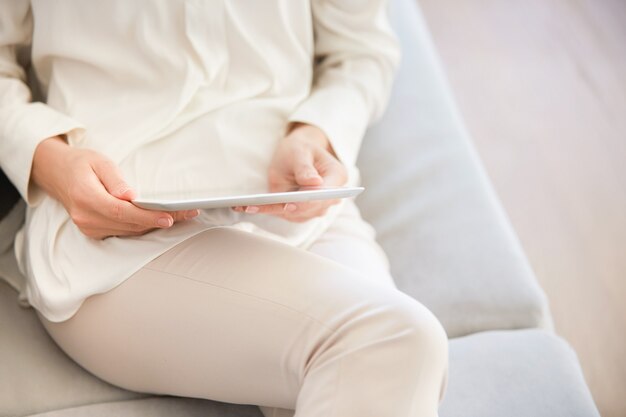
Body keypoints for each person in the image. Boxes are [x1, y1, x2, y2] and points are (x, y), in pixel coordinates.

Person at [0, 1, 449, 416]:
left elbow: (362, 50)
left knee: (382, 371)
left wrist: (316, 133)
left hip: (298, 209)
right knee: (394, 339)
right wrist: (51, 163)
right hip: (118, 232)